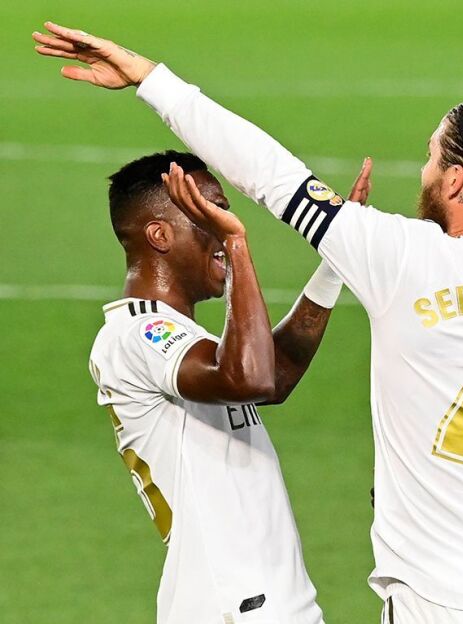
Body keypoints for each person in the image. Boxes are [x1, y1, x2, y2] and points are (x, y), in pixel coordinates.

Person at [36, 22, 463, 624]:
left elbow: (266, 172)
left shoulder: (400, 255)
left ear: (456, 181)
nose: (422, 172)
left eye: (430, 158)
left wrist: (152, 79)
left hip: (439, 604)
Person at [84, 149, 369, 623]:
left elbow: (273, 375)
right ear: (159, 235)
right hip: (236, 606)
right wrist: (235, 244)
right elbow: (248, 377)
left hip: (264, 602)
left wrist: (335, 261)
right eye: (208, 213)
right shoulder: (137, 334)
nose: (223, 223)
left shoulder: (181, 339)